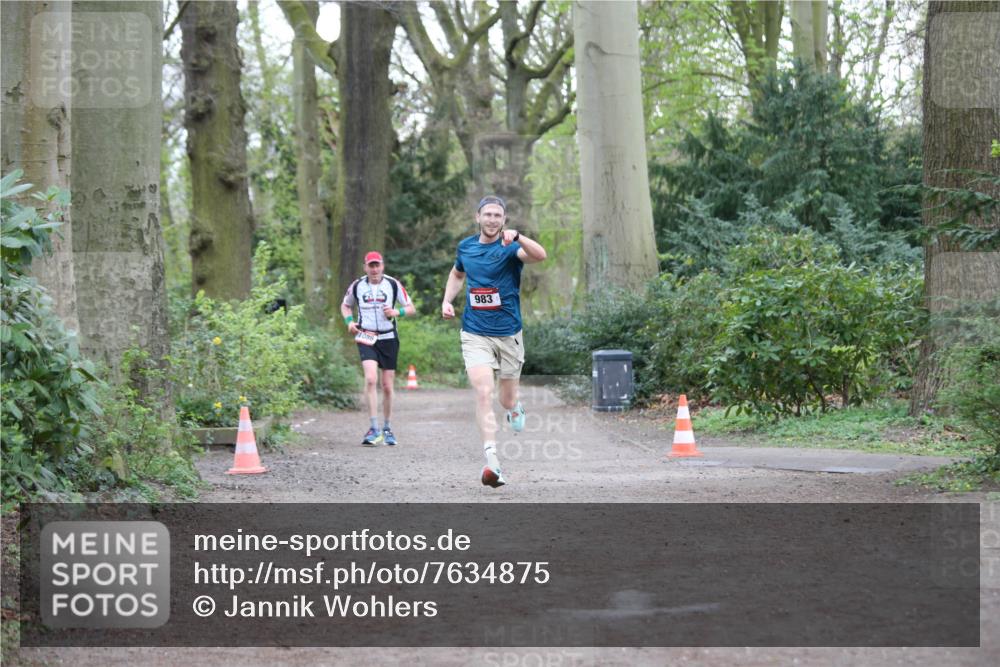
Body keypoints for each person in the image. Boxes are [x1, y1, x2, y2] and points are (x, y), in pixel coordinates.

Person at [441, 196, 547, 487]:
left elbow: (540, 255)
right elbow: (457, 273)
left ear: (504, 220)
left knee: (505, 399)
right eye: (487, 214)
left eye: (497, 215)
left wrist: (520, 237)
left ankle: (515, 407)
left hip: (509, 333)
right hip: (475, 332)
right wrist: (447, 300)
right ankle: (492, 462)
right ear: (478, 217)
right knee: (484, 392)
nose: (492, 219)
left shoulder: (511, 247)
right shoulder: (466, 247)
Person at [341, 251, 415, 446]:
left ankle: (387, 428)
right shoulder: (357, 285)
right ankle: (374, 429)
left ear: (382, 266)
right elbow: (345, 306)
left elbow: (411, 307)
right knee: (371, 379)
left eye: (377, 265)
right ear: (365, 267)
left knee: (387, 386)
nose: (374, 269)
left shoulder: (393, 284)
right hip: (366, 336)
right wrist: (349, 322)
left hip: (388, 338)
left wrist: (396, 311)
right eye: (371, 266)